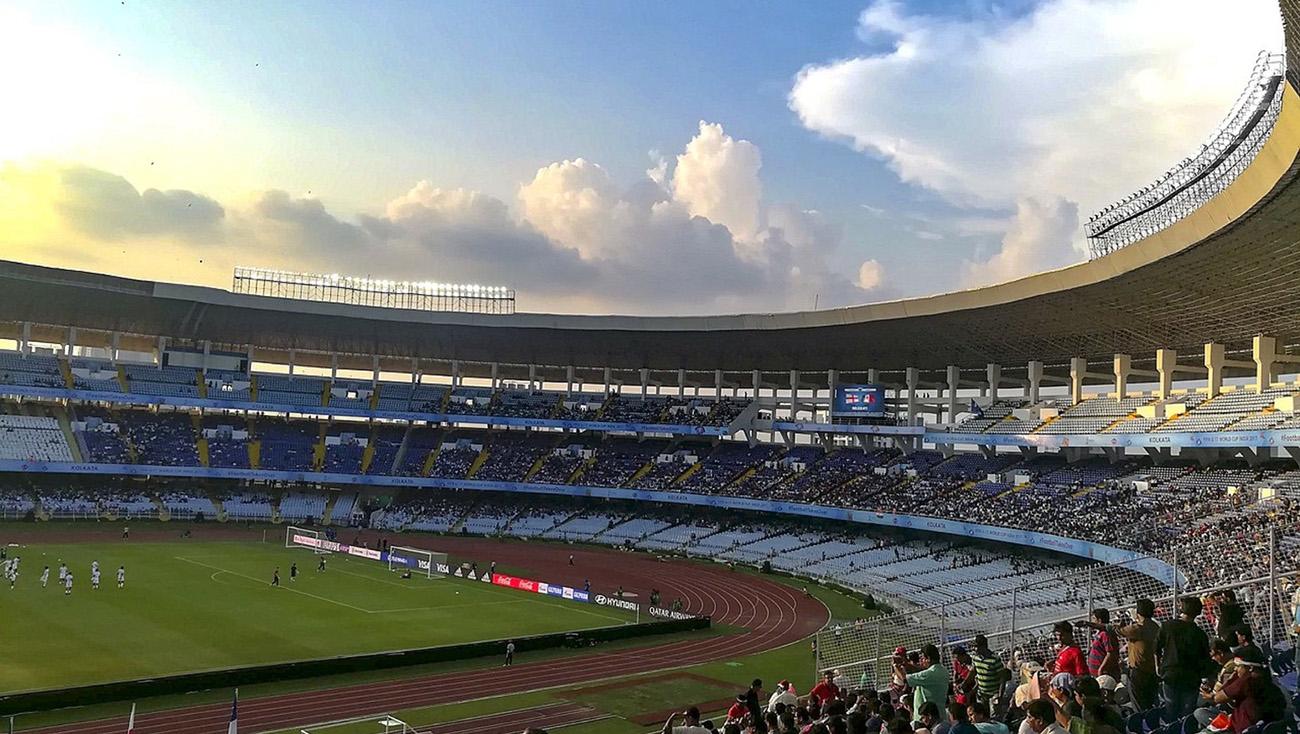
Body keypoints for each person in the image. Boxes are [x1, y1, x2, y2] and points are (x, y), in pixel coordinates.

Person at [1204, 646, 1286, 734]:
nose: (1235, 669)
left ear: (1250, 668)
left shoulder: (1246, 681)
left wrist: (1233, 678)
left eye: (1238, 666)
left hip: (1242, 729)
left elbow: (1217, 698)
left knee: (1200, 714)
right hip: (1262, 728)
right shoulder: (1269, 682)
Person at [1156, 596, 1213, 721]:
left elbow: (1156, 649)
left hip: (1170, 674)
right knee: (1187, 713)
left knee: (1171, 710)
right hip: (1191, 677)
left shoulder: (1167, 626)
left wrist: (1158, 667)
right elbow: (1205, 659)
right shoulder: (1200, 634)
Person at [1117, 598, 1159, 710]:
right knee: (1150, 703)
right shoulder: (1155, 627)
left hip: (1138, 671)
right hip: (1151, 670)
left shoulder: (1137, 628)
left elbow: (1117, 631)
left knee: (1139, 705)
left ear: (1138, 612)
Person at [899, 644, 950, 724]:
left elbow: (905, 680)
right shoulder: (943, 671)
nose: (921, 661)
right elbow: (921, 671)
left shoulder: (930, 674)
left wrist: (896, 667)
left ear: (928, 658)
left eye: (922, 658)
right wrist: (906, 664)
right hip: (940, 715)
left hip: (926, 719)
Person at [1076, 608, 1120, 678]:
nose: (1092, 621)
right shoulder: (1099, 633)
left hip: (1104, 673)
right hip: (1096, 673)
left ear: (1099, 621)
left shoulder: (1105, 634)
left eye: (1094, 618)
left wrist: (1101, 669)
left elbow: (1110, 653)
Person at [970, 635, 1009, 711]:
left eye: (975, 646)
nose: (973, 649)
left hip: (993, 694)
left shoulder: (995, 659)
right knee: (982, 714)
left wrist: (1000, 695)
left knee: (994, 716)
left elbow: (1002, 678)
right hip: (981, 693)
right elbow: (974, 672)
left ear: (983, 646)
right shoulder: (975, 658)